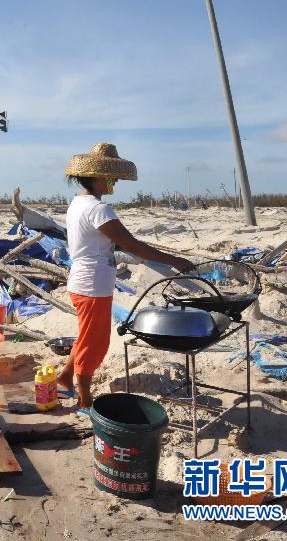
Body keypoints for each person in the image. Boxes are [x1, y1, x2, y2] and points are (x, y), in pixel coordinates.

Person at [56, 143, 195, 413]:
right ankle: (85, 398)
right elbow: (132, 245)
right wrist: (174, 260)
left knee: (85, 336)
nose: (115, 181)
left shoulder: (78, 203)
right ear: (98, 176)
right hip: (92, 285)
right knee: (95, 344)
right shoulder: (99, 209)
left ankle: (64, 378)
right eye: (111, 177)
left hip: (81, 281)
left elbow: (112, 242)